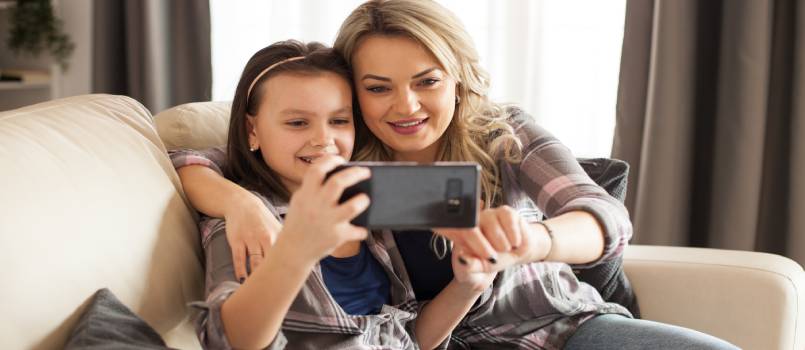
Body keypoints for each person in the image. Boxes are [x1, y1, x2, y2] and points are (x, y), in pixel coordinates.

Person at [174, 1, 739, 348]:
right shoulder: (343, 164)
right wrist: (236, 202)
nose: (405, 107)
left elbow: (603, 218)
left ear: (458, 78)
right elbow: (204, 159)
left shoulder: (502, 136)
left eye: (427, 81)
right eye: (377, 88)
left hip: (553, 329)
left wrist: (529, 241)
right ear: (354, 89)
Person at [183, 39, 498, 349]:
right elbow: (227, 339)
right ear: (252, 130)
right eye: (297, 123)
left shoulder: (366, 207)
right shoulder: (247, 224)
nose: (323, 139)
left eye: (339, 121)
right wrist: (296, 249)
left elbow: (411, 339)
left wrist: (468, 286)